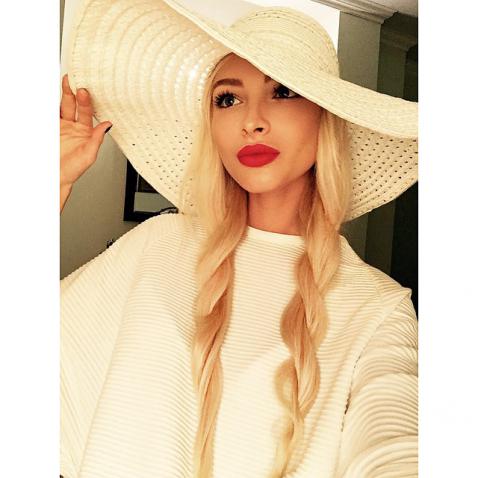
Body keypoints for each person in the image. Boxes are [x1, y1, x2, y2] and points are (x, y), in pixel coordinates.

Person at [60, 1, 418, 477]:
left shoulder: (377, 307)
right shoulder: (156, 245)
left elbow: (396, 446)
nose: (252, 120)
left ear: (326, 117)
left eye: (283, 91)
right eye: (228, 99)